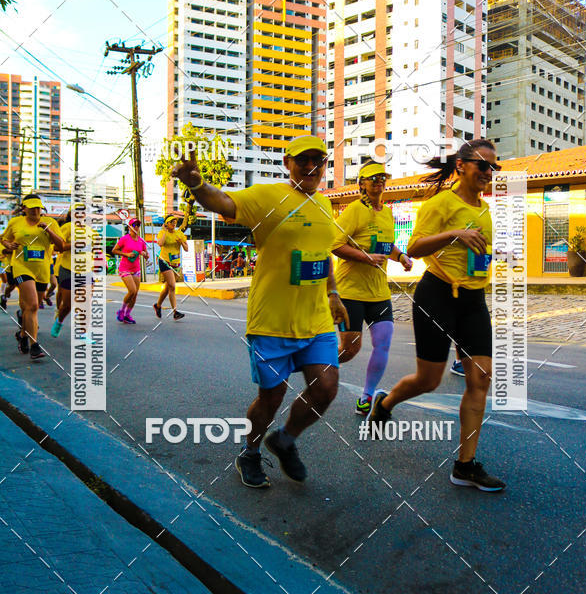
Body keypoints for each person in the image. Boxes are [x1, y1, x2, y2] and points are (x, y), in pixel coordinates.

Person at [172, 134, 348, 489]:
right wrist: (196, 183)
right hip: (271, 321)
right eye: (303, 161)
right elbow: (222, 202)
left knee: (326, 387)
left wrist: (333, 293)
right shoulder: (268, 196)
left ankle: (285, 439)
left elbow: (323, 254)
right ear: (287, 163)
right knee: (272, 396)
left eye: (319, 161)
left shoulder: (325, 207)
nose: (311, 168)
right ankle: (250, 452)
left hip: (315, 319)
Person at [367, 140, 505, 492]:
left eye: (494, 168)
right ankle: (386, 402)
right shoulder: (440, 203)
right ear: (461, 165)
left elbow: (477, 250)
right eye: (483, 166)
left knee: (480, 379)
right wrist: (454, 234)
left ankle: (465, 465)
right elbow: (414, 247)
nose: (489, 173)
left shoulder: (486, 210)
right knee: (428, 380)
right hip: (437, 294)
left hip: (473, 298)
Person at [333, 161, 412, 415]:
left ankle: (366, 396)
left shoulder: (387, 213)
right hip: (350, 292)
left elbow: (386, 246)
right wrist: (365, 257)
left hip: (378, 292)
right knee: (349, 349)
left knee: (383, 343)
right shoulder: (354, 211)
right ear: (362, 184)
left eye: (382, 177)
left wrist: (401, 257)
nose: (379, 181)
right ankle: (316, 370)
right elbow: (334, 244)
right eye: (372, 177)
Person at [0, 193, 64, 359]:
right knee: (33, 305)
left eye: (38, 207)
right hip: (21, 267)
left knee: (30, 308)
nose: (35, 210)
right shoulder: (16, 222)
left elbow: (61, 246)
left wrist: (48, 230)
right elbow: (3, 238)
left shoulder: (50, 222)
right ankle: (34, 345)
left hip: (42, 270)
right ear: (24, 208)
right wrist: (8, 244)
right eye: (32, 207)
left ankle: (22, 335)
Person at [112, 217, 149, 324]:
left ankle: (127, 314)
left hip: (136, 268)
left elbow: (147, 255)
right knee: (132, 290)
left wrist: (144, 254)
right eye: (134, 225)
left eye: (138, 225)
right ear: (129, 227)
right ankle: (121, 311)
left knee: (135, 294)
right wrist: (126, 254)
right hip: (125, 268)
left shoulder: (141, 241)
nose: (136, 227)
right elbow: (114, 250)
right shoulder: (125, 239)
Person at [153, 214, 188, 320]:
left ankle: (158, 305)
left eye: (175, 222)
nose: (173, 223)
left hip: (176, 263)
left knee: (168, 287)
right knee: (172, 286)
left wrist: (181, 242)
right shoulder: (162, 233)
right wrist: (164, 231)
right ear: (166, 224)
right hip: (165, 262)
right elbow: (160, 243)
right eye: (171, 222)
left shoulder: (179, 233)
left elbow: (186, 248)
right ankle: (175, 312)